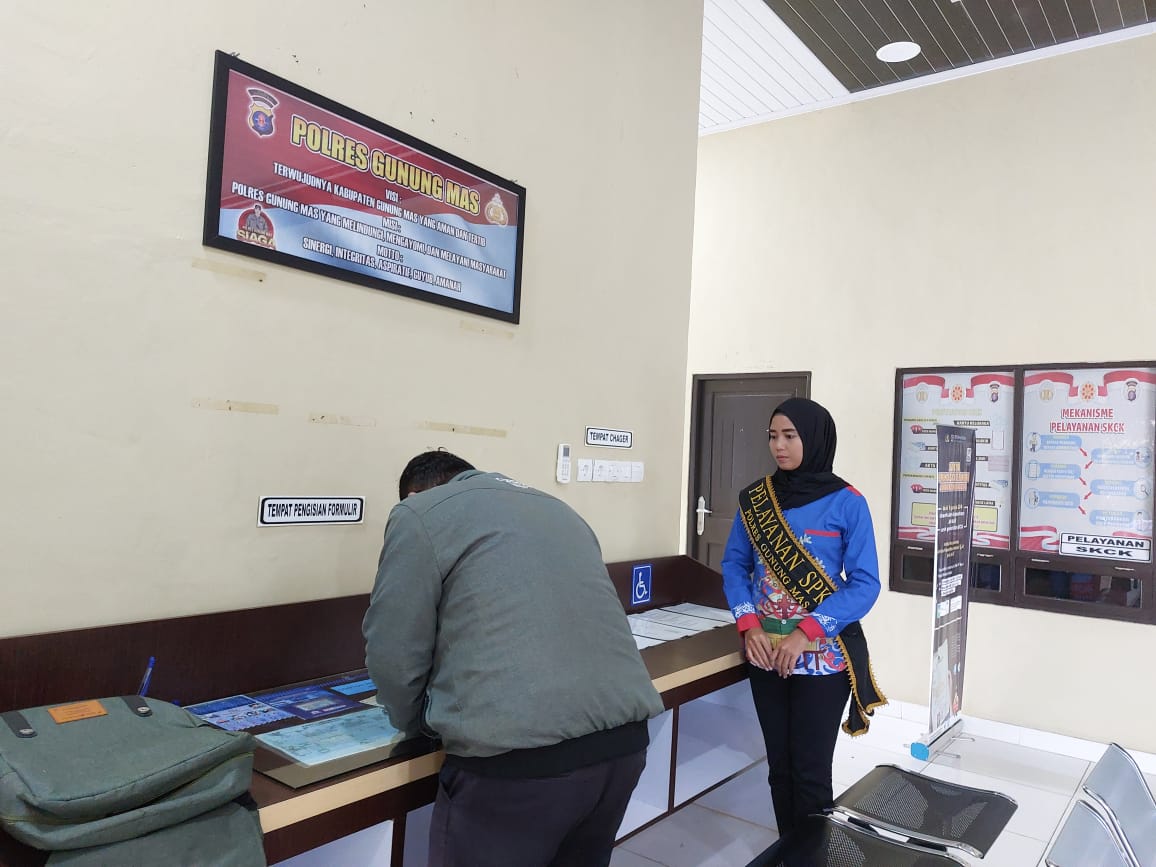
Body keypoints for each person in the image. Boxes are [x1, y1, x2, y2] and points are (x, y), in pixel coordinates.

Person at [363, 450, 663, 867]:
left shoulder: (418, 513)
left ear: (415, 495)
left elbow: (393, 654)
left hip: (517, 768)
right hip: (623, 748)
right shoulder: (559, 509)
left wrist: (417, 724)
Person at [720, 398, 885, 838]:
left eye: (790, 436)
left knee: (810, 774)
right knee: (779, 769)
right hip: (764, 654)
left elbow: (865, 584)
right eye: (773, 436)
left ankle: (811, 856)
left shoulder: (847, 502)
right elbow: (735, 565)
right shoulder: (756, 500)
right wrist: (748, 623)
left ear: (814, 438)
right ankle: (790, 852)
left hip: (821, 659)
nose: (779, 445)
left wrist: (805, 632)